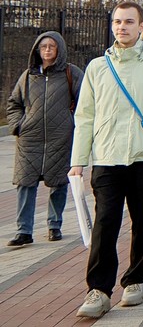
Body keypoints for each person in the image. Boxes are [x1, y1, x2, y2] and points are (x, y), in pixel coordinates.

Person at [70, 2, 143, 319]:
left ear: (141, 25)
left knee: (142, 220)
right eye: (117, 21)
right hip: (107, 157)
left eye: (129, 22)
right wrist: (79, 159)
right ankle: (99, 289)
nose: (122, 27)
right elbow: (85, 116)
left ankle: (135, 279)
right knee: (105, 223)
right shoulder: (98, 66)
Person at [6, 31, 84, 247]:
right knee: (25, 183)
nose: (47, 50)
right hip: (29, 139)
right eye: (43, 47)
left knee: (58, 182)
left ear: (59, 49)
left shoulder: (71, 73)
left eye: (52, 46)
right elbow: (14, 103)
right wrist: (18, 125)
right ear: (37, 50)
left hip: (61, 137)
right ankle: (24, 230)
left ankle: (54, 225)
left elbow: (85, 102)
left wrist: (73, 126)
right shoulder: (28, 75)